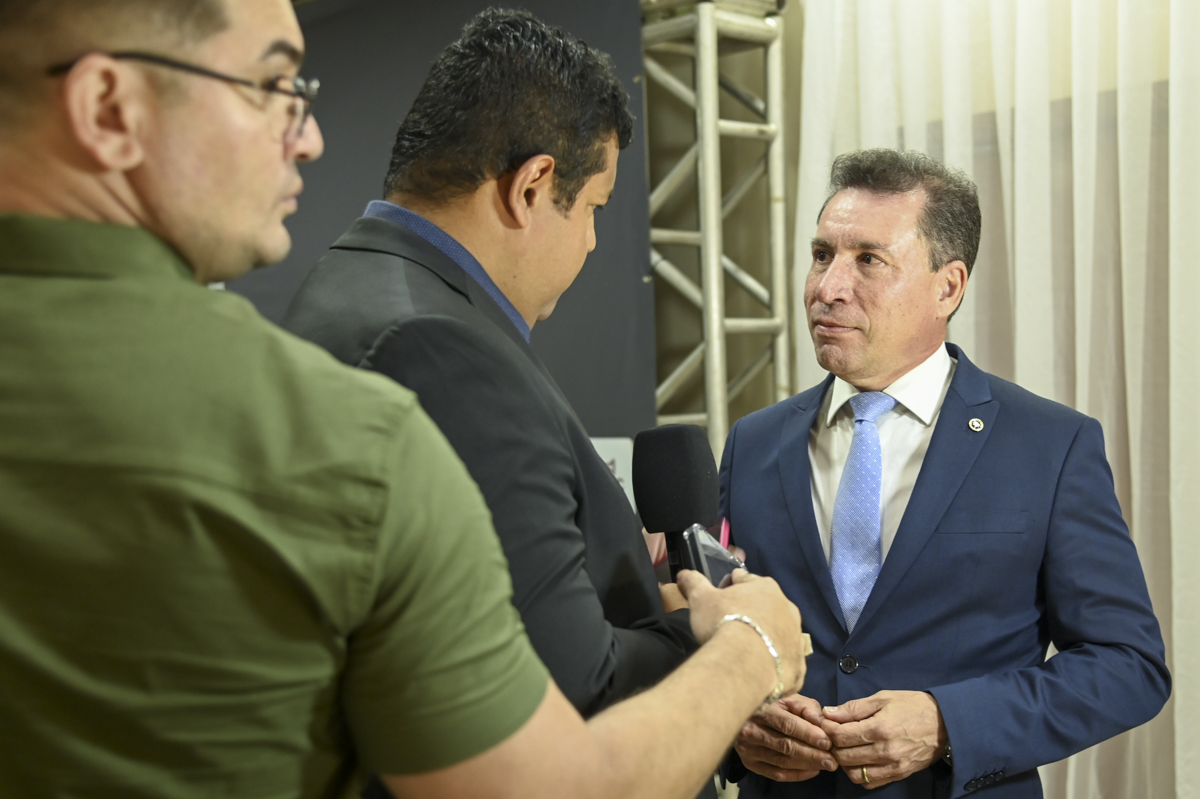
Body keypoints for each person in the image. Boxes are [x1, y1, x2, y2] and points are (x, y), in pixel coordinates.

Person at [0, 1, 811, 797]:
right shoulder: (427, 362)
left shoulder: (351, 288)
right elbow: (563, 736)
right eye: (270, 86)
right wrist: (744, 647)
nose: (308, 137)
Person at [285, 8, 701, 728]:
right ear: (532, 186)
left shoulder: (352, 279)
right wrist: (725, 637)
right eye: (594, 208)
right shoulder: (442, 352)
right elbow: (571, 691)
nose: (592, 241)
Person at [717, 149, 1170, 798]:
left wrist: (947, 723)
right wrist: (735, 727)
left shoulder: (1051, 445)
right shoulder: (752, 442)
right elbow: (719, 632)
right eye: (822, 255)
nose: (827, 287)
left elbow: (1127, 667)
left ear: (948, 287)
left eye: (868, 260)